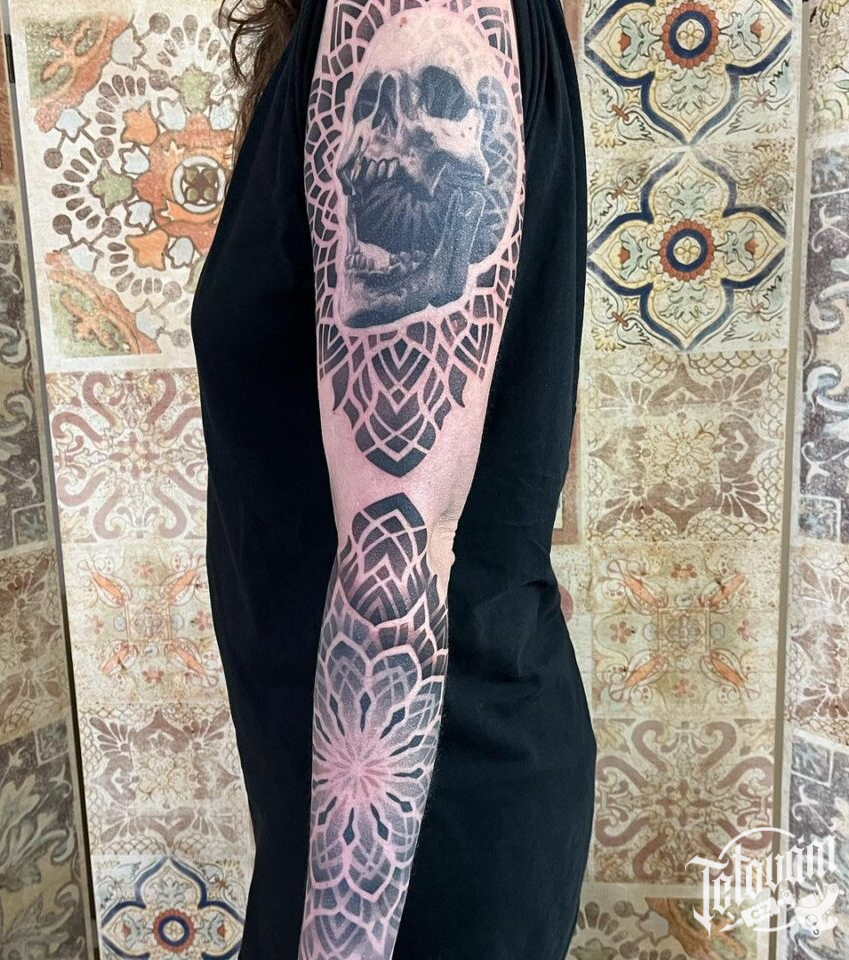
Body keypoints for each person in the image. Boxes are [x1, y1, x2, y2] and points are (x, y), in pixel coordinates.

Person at [190, 0, 597, 954]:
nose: (375, 148)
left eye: (422, 113)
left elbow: (398, 555)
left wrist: (344, 932)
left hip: (408, 827)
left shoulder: (421, 13)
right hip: (383, 787)